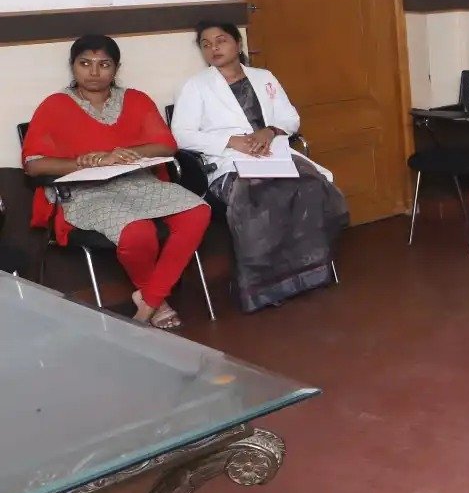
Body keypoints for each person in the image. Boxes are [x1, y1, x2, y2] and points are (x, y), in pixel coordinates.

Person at [21, 35, 211, 329]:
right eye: (85, 63)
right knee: (138, 232)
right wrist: (85, 161)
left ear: (116, 68)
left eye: (104, 64)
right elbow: (34, 165)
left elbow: (166, 145)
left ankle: (148, 302)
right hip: (85, 192)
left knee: (198, 212)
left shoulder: (135, 99)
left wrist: (123, 153)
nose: (94, 72)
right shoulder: (54, 105)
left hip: (138, 183)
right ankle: (157, 302)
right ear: (73, 66)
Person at [171, 21, 347, 312]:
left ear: (238, 44)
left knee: (311, 186)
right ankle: (265, 287)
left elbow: (291, 119)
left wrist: (270, 131)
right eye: (206, 44)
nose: (214, 48)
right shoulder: (196, 86)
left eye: (221, 40)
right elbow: (181, 135)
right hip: (229, 162)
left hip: (274, 154)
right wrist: (231, 141)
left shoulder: (263, 77)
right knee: (259, 196)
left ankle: (309, 274)